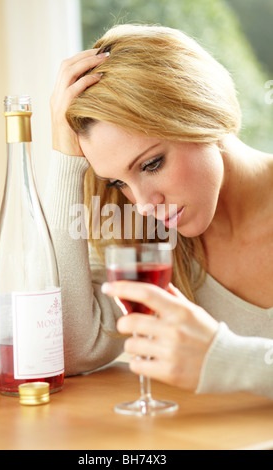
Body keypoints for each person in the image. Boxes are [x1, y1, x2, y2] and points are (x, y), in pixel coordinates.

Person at [45, 24, 273, 398]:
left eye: (151, 164)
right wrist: (65, 159)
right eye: (118, 182)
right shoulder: (150, 241)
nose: (145, 204)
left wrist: (225, 360)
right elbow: (62, 349)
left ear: (201, 112)